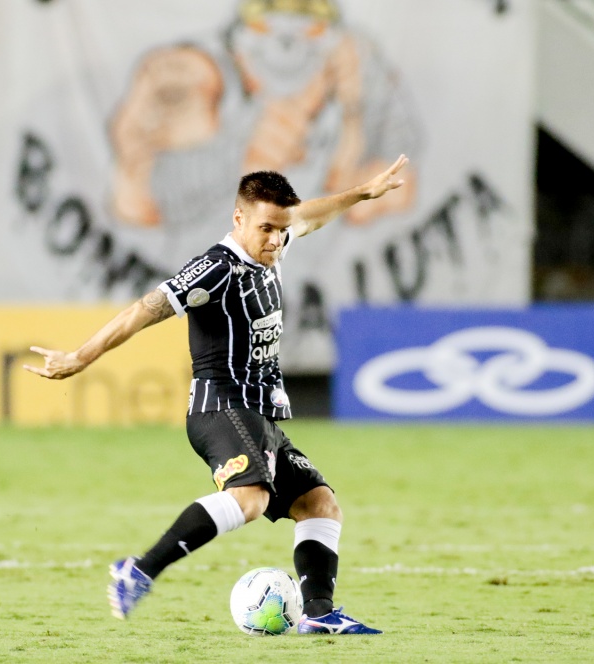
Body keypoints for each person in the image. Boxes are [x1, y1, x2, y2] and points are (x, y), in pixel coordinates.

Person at [24, 155, 408, 634]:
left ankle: (319, 613)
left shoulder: (278, 239)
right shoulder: (215, 268)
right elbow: (144, 309)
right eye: (266, 228)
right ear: (238, 219)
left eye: (281, 230)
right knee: (249, 497)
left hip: (257, 415)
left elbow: (310, 215)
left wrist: (361, 193)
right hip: (220, 406)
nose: (276, 240)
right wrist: (82, 356)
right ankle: (138, 569)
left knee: (319, 504)